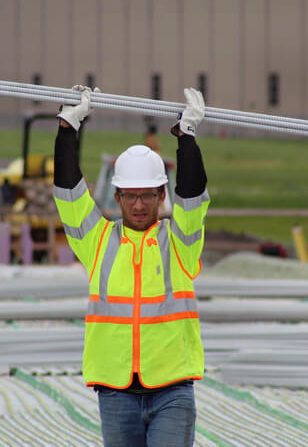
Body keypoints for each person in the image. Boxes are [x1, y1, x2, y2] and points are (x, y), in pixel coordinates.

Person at [53, 85, 209, 446]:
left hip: (171, 390)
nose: (139, 205)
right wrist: (66, 130)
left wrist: (187, 138)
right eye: (131, 196)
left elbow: (193, 197)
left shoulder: (180, 243)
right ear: (118, 196)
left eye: (147, 195)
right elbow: (68, 193)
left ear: (160, 195)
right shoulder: (98, 242)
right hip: (116, 391)